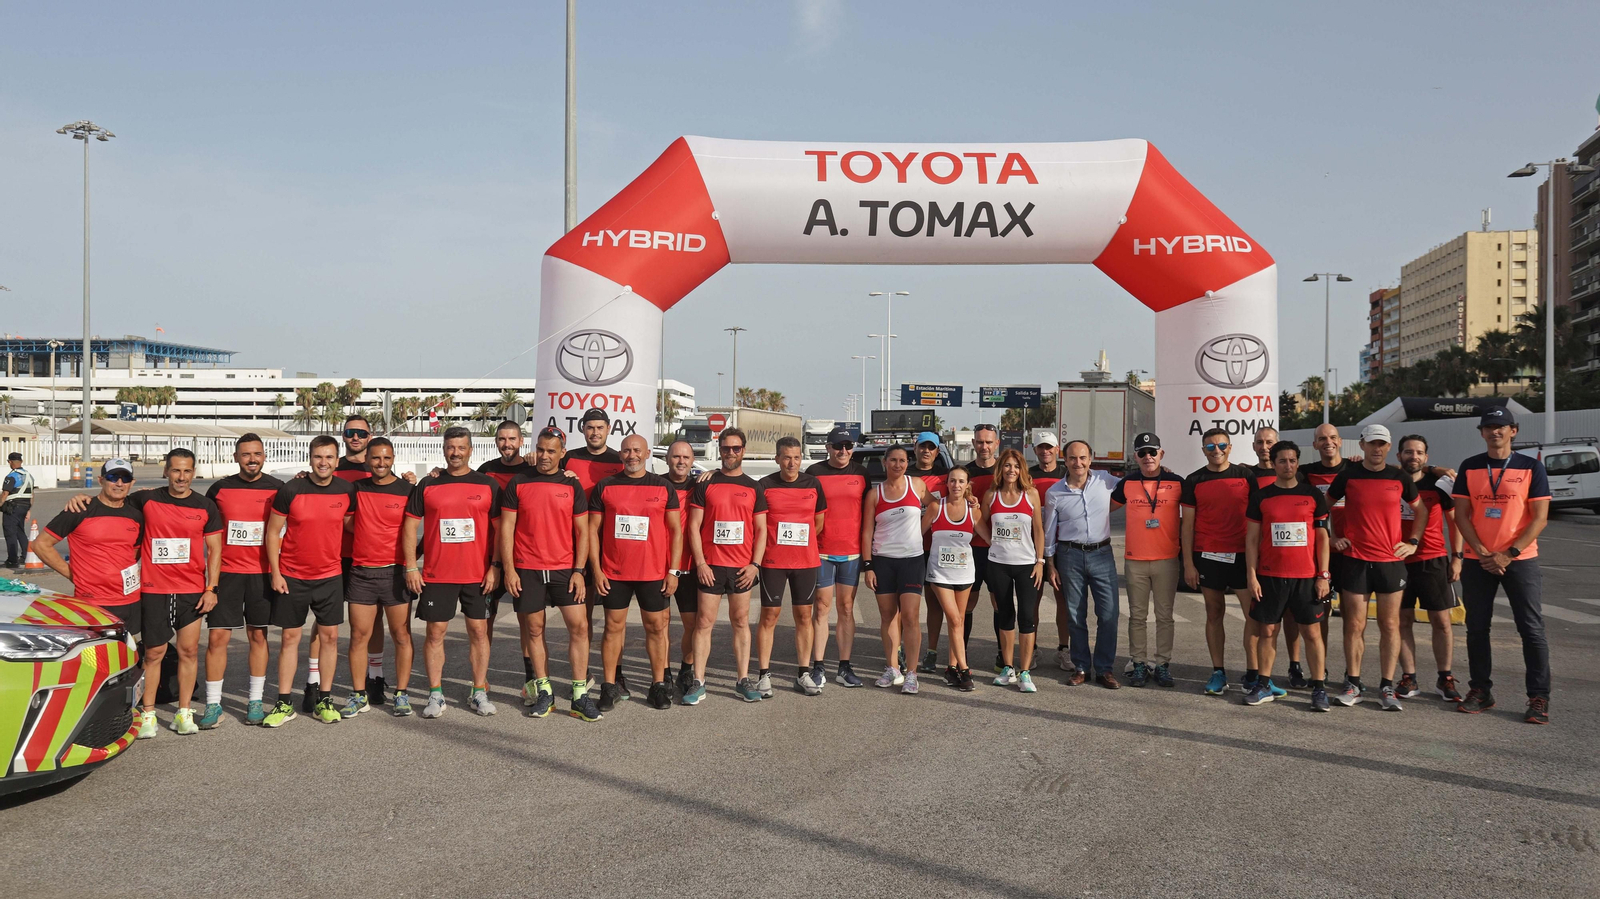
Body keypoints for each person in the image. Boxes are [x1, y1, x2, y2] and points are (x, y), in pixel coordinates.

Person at [1450, 407, 1552, 723]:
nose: (1495, 432)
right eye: (1489, 427)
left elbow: (1539, 519)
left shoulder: (1531, 467)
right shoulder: (1470, 467)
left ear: (1514, 430)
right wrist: (1481, 551)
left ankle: (1538, 697)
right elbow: (1462, 516)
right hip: (1477, 559)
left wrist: (1509, 552)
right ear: (1481, 432)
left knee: (1531, 628)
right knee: (1477, 627)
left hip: (1520, 559)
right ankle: (1481, 690)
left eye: (1501, 427)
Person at [121, 449, 225, 737]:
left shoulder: (206, 506)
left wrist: (211, 588)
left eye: (187, 471)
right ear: (166, 471)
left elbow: (215, 549)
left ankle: (183, 713)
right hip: (154, 589)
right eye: (176, 470)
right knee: (153, 653)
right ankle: (149, 715)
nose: (181, 477)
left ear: (194, 472)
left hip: (191, 591)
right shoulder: (146, 499)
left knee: (188, 651)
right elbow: (111, 502)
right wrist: (82, 500)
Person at [403, 427, 502, 719]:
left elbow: (500, 530)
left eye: (461, 447)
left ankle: (479, 691)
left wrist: (495, 567)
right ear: (444, 450)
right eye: (450, 447)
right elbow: (410, 526)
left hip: (477, 575)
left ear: (470, 450)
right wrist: (411, 565)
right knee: (435, 633)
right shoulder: (428, 484)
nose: (455, 453)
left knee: (479, 632)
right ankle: (436, 694)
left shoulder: (488, 485)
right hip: (436, 575)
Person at [1327, 424, 1427, 711]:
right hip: (1356, 561)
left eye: (1382, 444)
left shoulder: (1399, 476)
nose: (1377, 449)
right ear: (1362, 446)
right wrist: (1333, 538)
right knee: (1354, 625)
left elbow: (1421, 510)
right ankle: (1353, 684)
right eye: (1372, 444)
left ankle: (1387, 687)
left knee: (1390, 625)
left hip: (1391, 563)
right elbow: (1323, 507)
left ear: (1388, 446)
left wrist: (1413, 541)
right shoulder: (1348, 476)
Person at [501, 426, 597, 718]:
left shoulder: (572, 485)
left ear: (562, 454)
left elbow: (583, 532)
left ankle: (580, 694)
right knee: (534, 629)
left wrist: (580, 571)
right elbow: (506, 528)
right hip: (527, 569)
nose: (544, 456)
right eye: (540, 449)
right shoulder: (518, 482)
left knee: (579, 628)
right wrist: (509, 569)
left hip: (565, 569)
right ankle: (545, 692)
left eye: (551, 451)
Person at [263, 437, 355, 727]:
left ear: (337, 461)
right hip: (292, 576)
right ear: (310, 458)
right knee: (290, 639)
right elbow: (273, 532)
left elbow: (352, 524)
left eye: (329, 457)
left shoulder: (346, 489)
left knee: (329, 638)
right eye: (318, 457)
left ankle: (324, 700)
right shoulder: (291, 489)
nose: (323, 462)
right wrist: (275, 573)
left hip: (330, 576)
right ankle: (284, 702)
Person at [589, 434, 683, 713]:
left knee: (655, 628)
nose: (632, 455)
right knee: (613, 628)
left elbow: (676, 531)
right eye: (627, 450)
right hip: (614, 572)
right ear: (620, 454)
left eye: (637, 450)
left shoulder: (663, 487)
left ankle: (657, 685)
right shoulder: (605, 486)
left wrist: (674, 571)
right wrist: (596, 569)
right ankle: (609, 686)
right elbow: (592, 531)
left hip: (653, 572)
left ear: (648, 453)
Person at [1244, 441, 1333, 710]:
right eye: (1282, 461)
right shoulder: (1262, 496)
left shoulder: (1312, 495)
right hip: (1270, 575)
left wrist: (1323, 575)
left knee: (1312, 634)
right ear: (1273, 463)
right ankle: (1263, 684)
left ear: (1297, 462)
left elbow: (1322, 539)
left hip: (1306, 577)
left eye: (1293, 460)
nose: (1288, 465)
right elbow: (1251, 540)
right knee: (1267, 630)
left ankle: (1318, 688)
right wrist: (1251, 575)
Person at [203, 435, 286, 725]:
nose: (252, 459)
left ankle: (254, 701)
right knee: (217, 637)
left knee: (258, 636)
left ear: (265, 456)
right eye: (246, 454)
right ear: (236, 457)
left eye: (257, 454)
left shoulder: (278, 489)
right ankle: (213, 705)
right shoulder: (219, 488)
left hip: (262, 575)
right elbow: (190, 512)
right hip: (226, 574)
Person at [687, 427, 769, 703]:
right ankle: (698, 682)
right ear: (719, 449)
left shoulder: (753, 486)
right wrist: (700, 563)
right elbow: (693, 525)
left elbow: (761, 530)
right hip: (711, 566)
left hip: (742, 568)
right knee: (704, 622)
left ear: (743, 450)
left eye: (736, 448)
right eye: (726, 448)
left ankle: (742, 680)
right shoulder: (706, 483)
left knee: (741, 621)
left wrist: (755, 565)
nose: (730, 453)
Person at [1181, 428, 1262, 697]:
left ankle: (1253, 673)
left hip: (1242, 556)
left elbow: (1257, 517)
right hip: (1208, 557)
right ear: (1203, 450)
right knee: (1214, 614)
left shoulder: (1245, 475)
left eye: (1221, 445)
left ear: (1230, 447)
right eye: (1211, 447)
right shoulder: (1194, 480)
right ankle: (1218, 671)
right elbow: (1187, 526)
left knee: (1252, 615)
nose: (1217, 451)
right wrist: (1189, 564)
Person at [341, 437, 417, 718]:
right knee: (359, 636)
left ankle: (401, 694)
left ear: (393, 458)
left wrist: (412, 562)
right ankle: (359, 695)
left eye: (386, 458)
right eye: (375, 458)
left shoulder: (408, 490)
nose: (381, 463)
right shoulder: (355, 489)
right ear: (367, 460)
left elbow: (418, 529)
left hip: (396, 573)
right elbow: (348, 523)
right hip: (362, 573)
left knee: (401, 635)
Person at [1042, 440, 1124, 687]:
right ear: (1064, 460)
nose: (1078, 463)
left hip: (1102, 554)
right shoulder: (1054, 492)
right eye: (1072, 458)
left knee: (1109, 614)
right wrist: (1050, 564)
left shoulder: (1106, 480)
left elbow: (1135, 488)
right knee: (1076, 615)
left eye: (1083, 458)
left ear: (1090, 458)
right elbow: (1049, 532)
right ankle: (1080, 667)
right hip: (1070, 556)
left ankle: (1104, 669)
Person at [32, 458, 142, 637]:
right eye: (113, 477)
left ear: (132, 483)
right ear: (101, 480)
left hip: (130, 600)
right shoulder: (80, 509)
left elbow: (133, 553)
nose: (119, 483)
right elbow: (41, 544)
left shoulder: (136, 515)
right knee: (95, 658)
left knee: (127, 654)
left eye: (125, 478)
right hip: (93, 602)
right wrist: (73, 574)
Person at [1110, 433, 1183, 688]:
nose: (1148, 457)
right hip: (1135, 560)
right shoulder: (1127, 484)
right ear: (1135, 457)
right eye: (1142, 453)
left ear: (1161, 454)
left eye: (1152, 451)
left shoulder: (1177, 482)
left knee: (1165, 616)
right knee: (1137, 616)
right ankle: (1138, 663)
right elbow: (1102, 507)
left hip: (1167, 559)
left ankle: (1163, 664)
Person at [1395, 434, 1464, 703]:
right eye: (1408, 452)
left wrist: (1457, 557)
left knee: (1442, 621)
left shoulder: (1440, 483)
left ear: (1426, 456)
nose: (1413, 456)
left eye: (1419, 452)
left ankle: (1445, 678)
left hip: (1433, 559)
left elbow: (1455, 521)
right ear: (1398, 456)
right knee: (1402, 621)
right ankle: (1409, 677)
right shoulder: (1391, 480)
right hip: (1397, 559)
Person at [757, 437, 827, 695]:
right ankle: (764, 675)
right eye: (786, 457)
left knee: (804, 617)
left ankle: (803, 673)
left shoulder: (813, 484)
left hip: (806, 562)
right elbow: (759, 524)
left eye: (796, 457)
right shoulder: (764, 485)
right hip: (773, 562)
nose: (792, 462)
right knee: (769, 616)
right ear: (777, 458)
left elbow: (818, 523)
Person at [861, 445, 929, 693]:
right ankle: (892, 668)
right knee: (887, 616)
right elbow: (867, 531)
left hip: (912, 560)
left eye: (902, 460)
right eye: (893, 460)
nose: (898, 465)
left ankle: (912, 673)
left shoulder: (917, 485)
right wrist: (868, 566)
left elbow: (936, 506)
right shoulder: (875, 494)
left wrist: (968, 501)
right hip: (883, 561)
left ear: (907, 462)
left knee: (910, 616)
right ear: (884, 462)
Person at [806, 426, 870, 688]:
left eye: (848, 446)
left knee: (845, 608)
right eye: (838, 446)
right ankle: (818, 666)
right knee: (821, 608)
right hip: (820, 551)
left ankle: (844, 666)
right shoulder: (814, 473)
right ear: (828, 447)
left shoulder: (861, 473)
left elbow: (871, 513)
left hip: (852, 552)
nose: (844, 451)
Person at [980, 448, 1046, 691]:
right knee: (1005, 615)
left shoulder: (1031, 495)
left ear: (1021, 470)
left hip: (1026, 565)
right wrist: (991, 541)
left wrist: (1040, 561)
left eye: (1015, 466)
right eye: (1007, 466)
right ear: (1001, 469)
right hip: (998, 564)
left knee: (1027, 618)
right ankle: (1008, 668)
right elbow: (979, 520)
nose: (1011, 470)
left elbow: (1038, 529)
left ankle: (1025, 671)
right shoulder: (991, 495)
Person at [1247, 425, 1305, 686]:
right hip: (1263, 560)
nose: (1265, 446)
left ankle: (1295, 666)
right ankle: (1256, 673)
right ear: (1254, 447)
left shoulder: (1298, 475)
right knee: (1261, 622)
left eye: (1269, 441)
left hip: (1296, 562)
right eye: (1260, 442)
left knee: (1293, 618)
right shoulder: (1246, 474)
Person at [922, 465, 979, 691]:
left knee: (960, 621)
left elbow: (988, 536)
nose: (956, 485)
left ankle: (951, 668)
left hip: (965, 572)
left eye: (961, 481)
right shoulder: (936, 507)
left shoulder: (974, 510)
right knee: (954, 619)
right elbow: (917, 534)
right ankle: (964, 671)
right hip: (939, 573)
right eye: (952, 481)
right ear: (947, 484)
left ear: (967, 485)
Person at [1026, 433, 1071, 672]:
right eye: (1041, 447)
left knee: (1062, 599)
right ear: (1035, 450)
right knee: (1032, 599)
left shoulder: (1067, 474)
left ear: (1057, 449)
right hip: (1031, 546)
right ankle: (1031, 650)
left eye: (1049, 447)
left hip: (1062, 545)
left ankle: (1064, 649)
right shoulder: (1028, 475)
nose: (1045, 452)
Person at [663, 440, 702, 696]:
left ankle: (685, 670)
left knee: (692, 624)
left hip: (689, 566)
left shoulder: (700, 485)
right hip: (660, 566)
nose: (681, 461)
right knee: (660, 625)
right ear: (667, 459)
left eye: (686, 457)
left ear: (692, 460)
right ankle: (662, 673)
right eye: (676, 456)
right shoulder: (656, 484)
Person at [911, 430, 949, 674]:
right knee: (908, 604)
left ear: (937, 452)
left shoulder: (947, 478)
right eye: (922, 446)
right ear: (915, 448)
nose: (926, 451)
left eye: (931, 447)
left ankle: (932, 651)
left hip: (937, 547)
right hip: (909, 548)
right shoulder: (903, 476)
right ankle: (904, 649)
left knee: (935, 603)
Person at [964, 424, 1000, 668]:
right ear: (973, 444)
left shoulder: (1006, 470)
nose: (984, 446)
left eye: (988, 442)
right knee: (968, 602)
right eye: (979, 442)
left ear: (997, 443)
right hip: (970, 549)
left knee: (1000, 601)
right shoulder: (964, 473)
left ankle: (1003, 654)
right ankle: (960, 654)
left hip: (999, 549)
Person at [1, 451, 35, 569]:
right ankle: (26, 556)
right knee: (20, 531)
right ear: (21, 462)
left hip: (12, 507)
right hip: (24, 507)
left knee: (10, 532)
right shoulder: (29, 476)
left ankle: (12, 560)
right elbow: (32, 494)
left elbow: (5, 493)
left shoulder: (12, 476)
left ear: (10, 462)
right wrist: (29, 509)